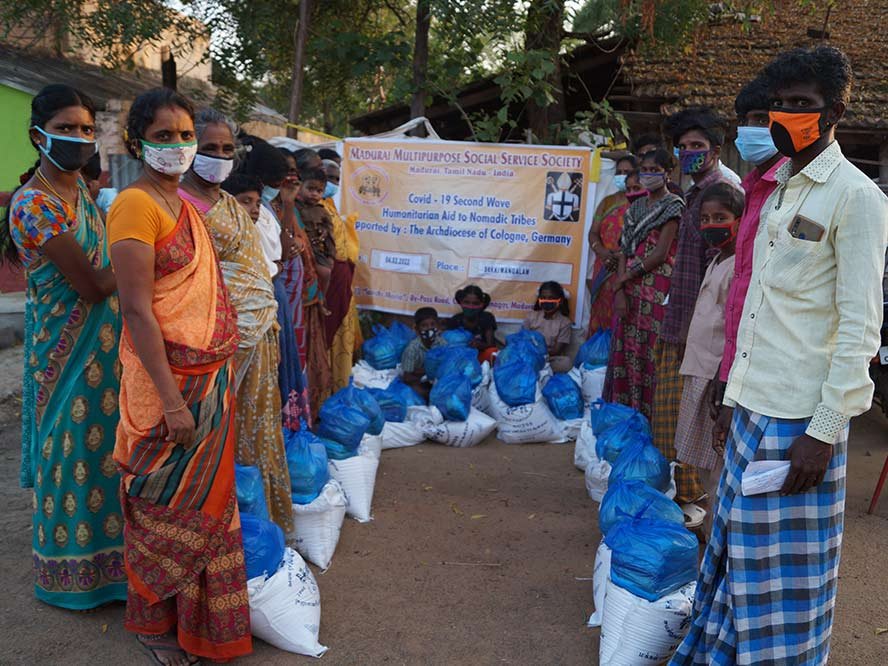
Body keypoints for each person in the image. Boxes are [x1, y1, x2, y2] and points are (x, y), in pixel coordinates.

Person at [671, 46, 888, 666]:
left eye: (803, 105)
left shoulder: (857, 198)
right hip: (750, 407)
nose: (786, 116)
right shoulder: (782, 187)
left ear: (835, 112)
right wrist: (728, 397)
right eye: (780, 105)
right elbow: (758, 306)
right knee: (739, 557)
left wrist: (823, 432)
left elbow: (859, 329)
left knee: (786, 582)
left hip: (800, 420)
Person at [107, 88, 251, 664]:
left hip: (211, 377)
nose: (178, 146)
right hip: (166, 384)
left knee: (208, 507)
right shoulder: (134, 205)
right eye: (164, 136)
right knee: (159, 499)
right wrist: (171, 402)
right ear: (136, 142)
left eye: (184, 135)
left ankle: (200, 625)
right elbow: (138, 310)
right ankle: (151, 625)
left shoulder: (184, 206)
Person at [3, 84, 127, 611]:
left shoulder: (86, 195)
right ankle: (69, 578)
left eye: (86, 129)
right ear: (38, 136)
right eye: (68, 129)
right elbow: (94, 285)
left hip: (107, 350)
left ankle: (115, 569)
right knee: (71, 451)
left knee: (107, 455)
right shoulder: (35, 204)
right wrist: (145, 253)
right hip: (65, 353)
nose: (80, 138)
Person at [179, 109, 293, 534]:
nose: (219, 156)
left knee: (257, 427)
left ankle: (261, 530)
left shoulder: (225, 199)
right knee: (217, 435)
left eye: (227, 148)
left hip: (257, 331)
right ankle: (222, 531)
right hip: (216, 339)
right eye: (209, 148)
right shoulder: (179, 203)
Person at [652, 106, 733, 513]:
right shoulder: (691, 194)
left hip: (702, 330)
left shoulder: (722, 195)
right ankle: (690, 500)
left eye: (697, 145)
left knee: (700, 427)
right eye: (682, 147)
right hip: (681, 321)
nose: (689, 153)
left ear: (716, 150)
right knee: (680, 424)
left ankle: (700, 505)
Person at [710, 76, 788, 442]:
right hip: (740, 362)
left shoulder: (796, 190)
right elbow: (742, 292)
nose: (750, 130)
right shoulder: (748, 188)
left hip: (778, 376)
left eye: (761, 119)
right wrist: (726, 373)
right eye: (745, 120)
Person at [673, 183, 742, 532]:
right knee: (704, 458)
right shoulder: (718, 258)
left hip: (715, 375)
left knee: (718, 460)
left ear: (741, 220)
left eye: (721, 217)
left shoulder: (738, 267)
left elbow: (735, 327)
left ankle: (720, 533)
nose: (711, 224)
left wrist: (722, 378)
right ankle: (714, 524)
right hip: (699, 371)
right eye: (705, 218)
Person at [236, 137, 312, 428]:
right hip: (260, 296)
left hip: (274, 291)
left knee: (280, 365)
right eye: (275, 179)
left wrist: (289, 203)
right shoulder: (241, 206)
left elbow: (279, 248)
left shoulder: (264, 206)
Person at [605, 149, 684, 418]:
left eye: (654, 170)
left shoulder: (673, 206)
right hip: (629, 291)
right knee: (626, 352)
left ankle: (651, 422)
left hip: (657, 290)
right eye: (645, 170)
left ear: (668, 173)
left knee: (651, 354)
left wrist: (624, 278)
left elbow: (660, 253)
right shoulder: (636, 207)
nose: (648, 175)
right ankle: (627, 418)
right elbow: (624, 250)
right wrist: (620, 289)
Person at [587, 154, 637, 335]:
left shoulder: (643, 202)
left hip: (630, 268)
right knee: (601, 316)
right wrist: (602, 253)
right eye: (619, 172)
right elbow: (593, 233)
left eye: (627, 172)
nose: (622, 176)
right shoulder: (607, 202)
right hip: (605, 266)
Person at [295, 167, 335, 301]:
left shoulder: (322, 211)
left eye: (319, 191)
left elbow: (330, 236)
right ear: (300, 186)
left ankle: (321, 299)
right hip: (298, 250)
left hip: (316, 251)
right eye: (310, 189)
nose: (314, 194)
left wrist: (331, 256)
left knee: (325, 272)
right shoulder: (293, 206)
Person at [523, 281, 572, 373]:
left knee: (566, 363)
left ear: (560, 301)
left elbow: (556, 350)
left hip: (549, 359)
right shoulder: (531, 316)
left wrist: (539, 352)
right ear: (539, 299)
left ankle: (536, 369)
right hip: (529, 355)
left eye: (551, 298)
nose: (547, 301)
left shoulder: (565, 323)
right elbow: (523, 339)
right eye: (543, 298)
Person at [400, 307, 446, 400]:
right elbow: (407, 377)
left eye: (433, 324)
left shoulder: (442, 343)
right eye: (424, 325)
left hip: (438, 380)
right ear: (417, 329)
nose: (429, 328)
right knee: (417, 390)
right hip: (419, 381)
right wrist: (425, 375)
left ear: (438, 326)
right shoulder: (412, 349)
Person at [447, 285, 498, 363]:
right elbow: (450, 345)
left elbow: (491, 344)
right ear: (461, 302)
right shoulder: (456, 320)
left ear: (482, 304)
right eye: (466, 302)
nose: (470, 306)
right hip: (461, 358)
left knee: (492, 352)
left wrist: (479, 345)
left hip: (481, 356)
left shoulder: (487, 317)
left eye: (475, 303)